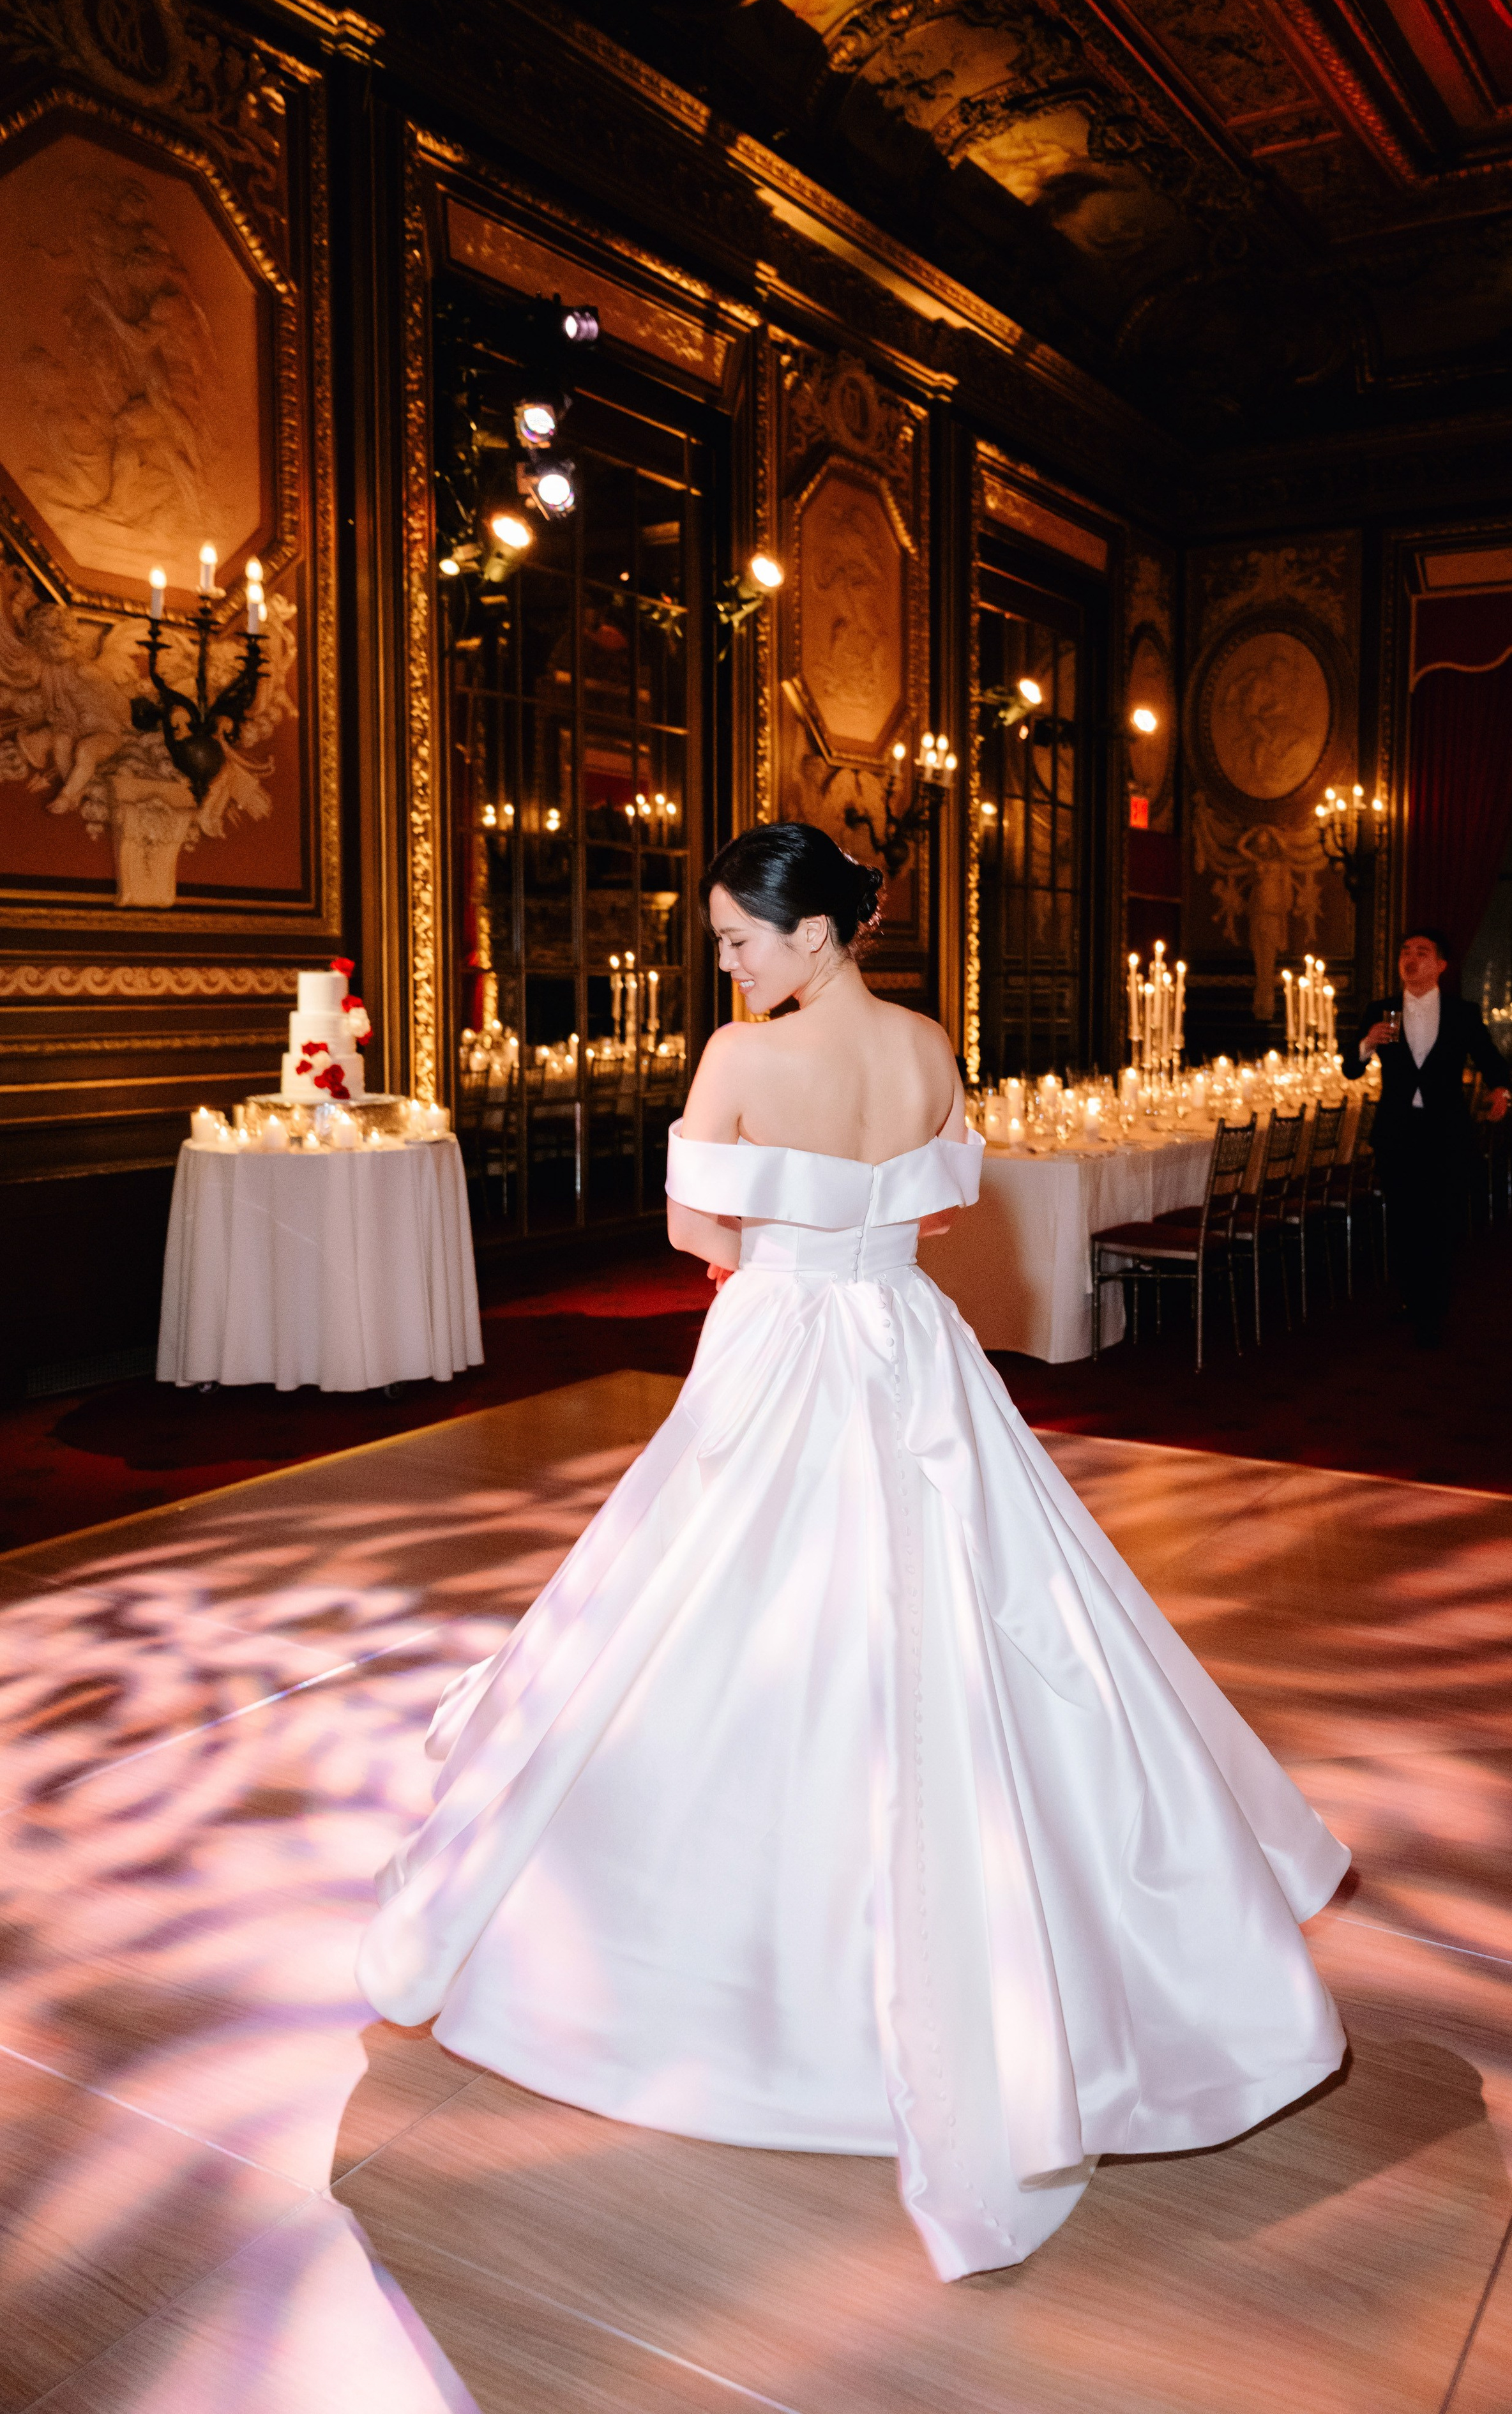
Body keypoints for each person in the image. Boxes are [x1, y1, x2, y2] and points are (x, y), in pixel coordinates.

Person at [358, 823, 1349, 2283]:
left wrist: (788, 1243)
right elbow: (946, 1206)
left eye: (736, 939)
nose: (724, 964)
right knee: (979, 1599)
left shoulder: (738, 1058)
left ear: (810, 933)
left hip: (782, 1336)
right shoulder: (930, 1044)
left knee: (714, 1598)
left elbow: (697, 1230)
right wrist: (860, 1234)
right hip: (908, 1335)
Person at [1343, 927, 1510, 1348]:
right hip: (1397, 1130)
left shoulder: (1461, 1013)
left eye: (1422, 952)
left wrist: (1500, 1090)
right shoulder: (1381, 1010)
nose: (1411, 958)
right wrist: (1367, 1043)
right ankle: (1412, 1298)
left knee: (1439, 1221)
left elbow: (1490, 1058)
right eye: (1405, 951)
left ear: (1440, 965)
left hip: (1444, 1131)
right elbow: (1350, 1069)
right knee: (1402, 1220)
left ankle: (1433, 1309)